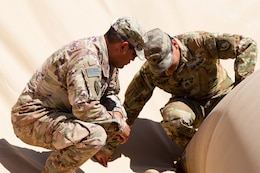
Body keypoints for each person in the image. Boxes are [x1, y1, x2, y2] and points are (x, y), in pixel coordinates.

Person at [11, 16, 146, 173]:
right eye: (134, 55)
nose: (132, 60)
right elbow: (84, 108)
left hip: (58, 115)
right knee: (96, 135)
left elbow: (111, 93)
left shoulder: (109, 59)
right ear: (123, 47)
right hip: (31, 120)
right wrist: (119, 124)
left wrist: (118, 112)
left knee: (110, 121)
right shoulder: (87, 59)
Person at [123, 28, 257, 171]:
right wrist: (110, 143)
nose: (167, 70)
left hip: (221, 97)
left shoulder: (198, 42)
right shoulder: (148, 72)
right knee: (172, 118)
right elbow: (132, 105)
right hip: (191, 106)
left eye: (168, 63)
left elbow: (246, 45)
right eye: (161, 68)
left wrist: (241, 90)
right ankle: (195, 156)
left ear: (174, 44)